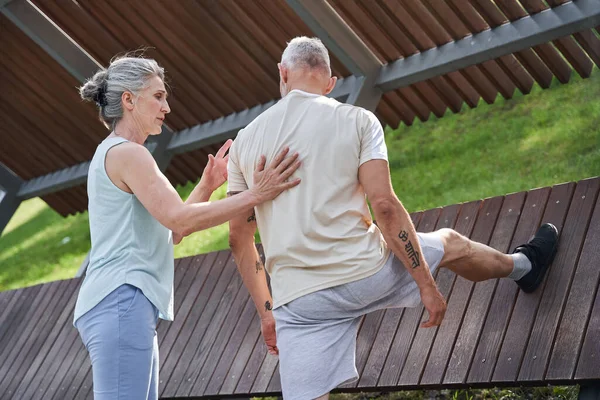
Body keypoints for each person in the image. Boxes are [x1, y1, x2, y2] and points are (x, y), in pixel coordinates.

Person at [226, 37, 559, 400]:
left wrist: (268, 313)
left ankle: (524, 265)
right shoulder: (357, 120)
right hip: (365, 274)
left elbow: (239, 240)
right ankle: (525, 266)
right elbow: (384, 206)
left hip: (302, 304)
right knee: (449, 242)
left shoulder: (243, 142)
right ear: (331, 83)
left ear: (282, 72)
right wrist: (426, 285)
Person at [73, 55, 301, 400]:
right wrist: (258, 193)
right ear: (129, 100)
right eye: (158, 96)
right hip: (121, 302)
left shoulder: (122, 154)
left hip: (123, 304)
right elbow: (179, 219)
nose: (166, 107)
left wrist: (208, 185)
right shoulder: (129, 155)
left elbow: (173, 229)